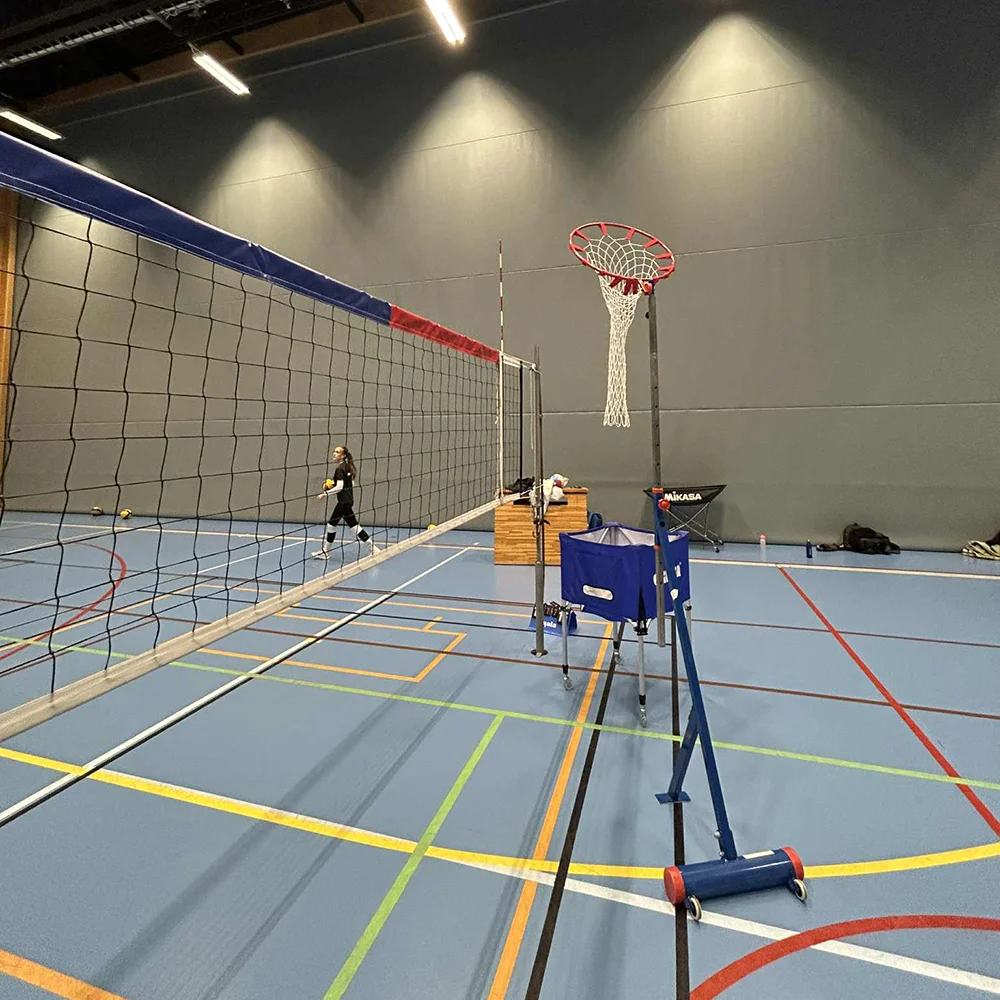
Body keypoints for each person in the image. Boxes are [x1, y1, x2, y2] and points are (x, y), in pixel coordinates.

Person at [312, 445, 379, 558]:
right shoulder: (348, 467)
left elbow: (339, 487)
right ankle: (325, 551)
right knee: (338, 525)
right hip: (347, 501)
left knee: (346, 526)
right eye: (334, 451)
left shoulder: (340, 469)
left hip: (343, 502)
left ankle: (373, 548)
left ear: (343, 456)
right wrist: (334, 484)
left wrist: (324, 494)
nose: (334, 454)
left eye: (337, 452)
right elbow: (351, 483)